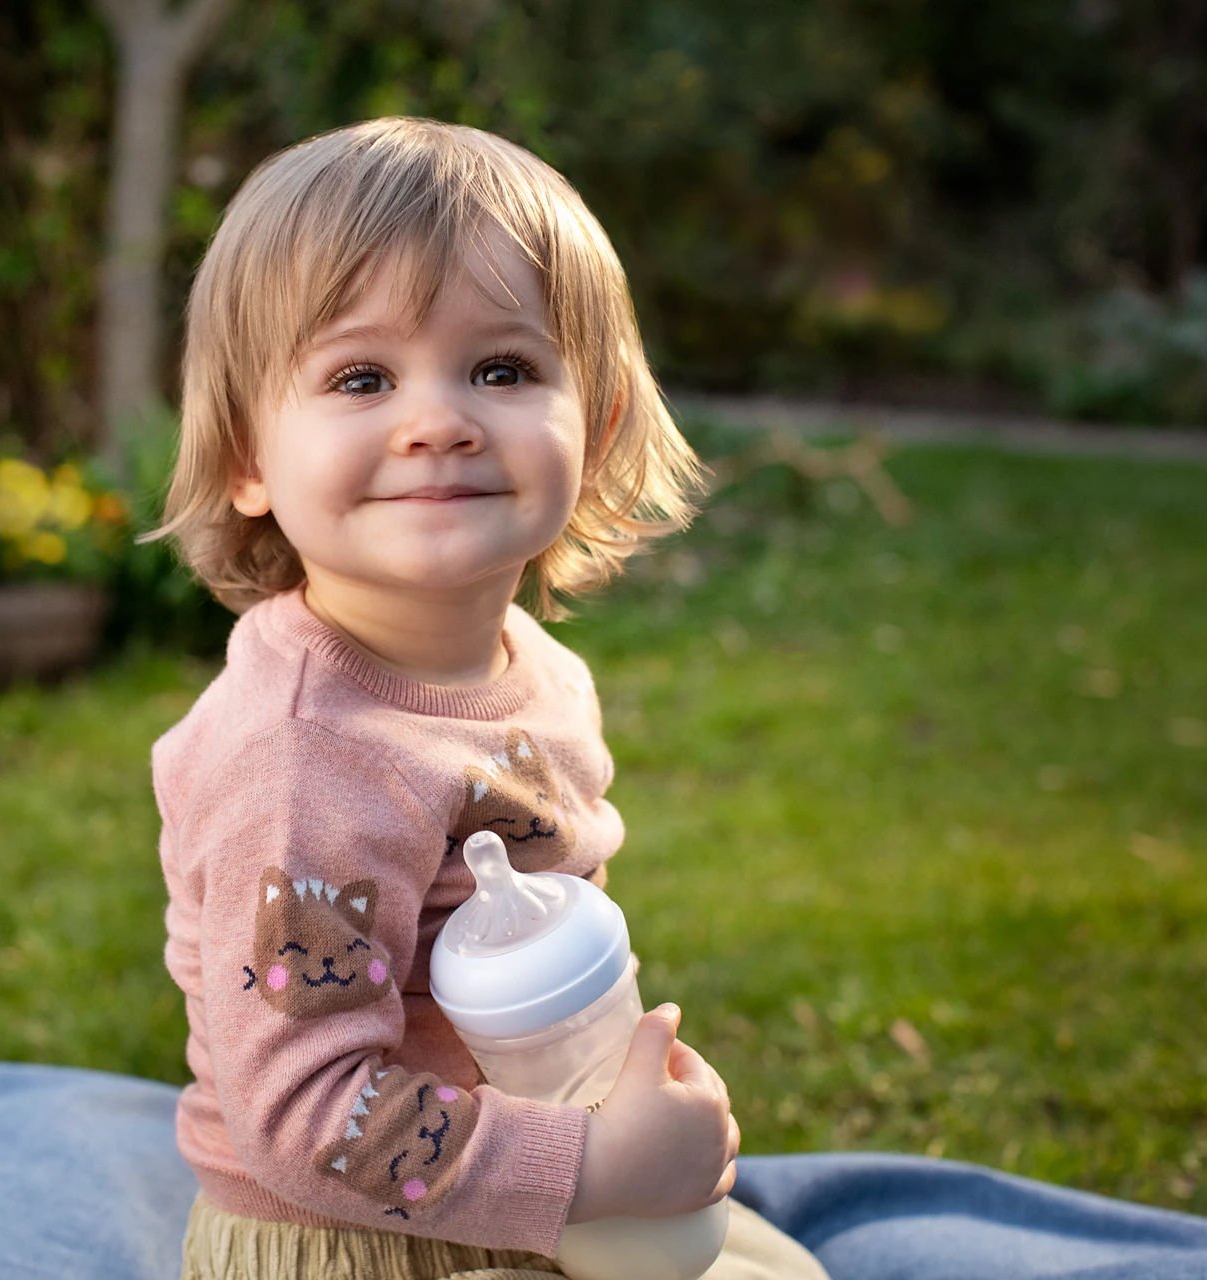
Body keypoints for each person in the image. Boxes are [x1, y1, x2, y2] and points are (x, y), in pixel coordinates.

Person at [148, 117, 828, 1280]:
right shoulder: (301, 757)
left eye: (502, 369)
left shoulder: (540, 673)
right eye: (362, 377)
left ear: (596, 427)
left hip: (514, 1192)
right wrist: (597, 1165)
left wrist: (626, 1112)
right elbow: (304, 1116)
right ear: (246, 457)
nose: (438, 421)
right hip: (351, 1241)